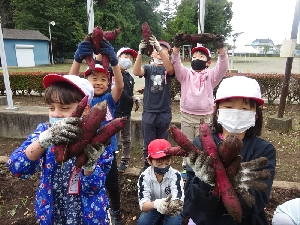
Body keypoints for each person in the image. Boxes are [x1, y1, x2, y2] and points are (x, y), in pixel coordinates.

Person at [7, 74, 114, 224]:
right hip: (52, 212)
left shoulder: (98, 140)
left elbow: (94, 188)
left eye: (65, 108)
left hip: (87, 214)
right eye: (51, 108)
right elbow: (17, 167)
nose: (56, 114)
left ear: (85, 109)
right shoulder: (44, 131)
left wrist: (90, 166)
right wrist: (44, 140)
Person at [183, 76, 276, 225]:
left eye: (245, 109)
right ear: (217, 111)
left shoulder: (264, 150)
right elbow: (191, 197)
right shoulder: (200, 144)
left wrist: (233, 184)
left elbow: (257, 200)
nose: (236, 113)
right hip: (205, 220)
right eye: (229, 107)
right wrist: (206, 182)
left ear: (256, 115)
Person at [69, 40, 124, 225]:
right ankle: (87, 210)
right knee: (87, 184)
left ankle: (115, 211)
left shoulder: (109, 99)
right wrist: (78, 59)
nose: (99, 83)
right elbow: (70, 82)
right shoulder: (81, 99)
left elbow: (120, 87)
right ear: (86, 81)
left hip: (107, 152)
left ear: (108, 82)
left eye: (103, 79)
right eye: (94, 79)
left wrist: (115, 62)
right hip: (84, 151)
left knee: (112, 184)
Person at [172, 35, 228, 180]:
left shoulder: (211, 76)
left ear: (208, 62)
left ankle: (202, 169)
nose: (197, 57)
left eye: (201, 56)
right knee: (188, 144)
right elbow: (176, 65)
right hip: (187, 116)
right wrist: (176, 49)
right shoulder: (185, 75)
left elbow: (223, 67)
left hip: (206, 117)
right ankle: (187, 168)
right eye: (195, 55)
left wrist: (221, 50)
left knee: (204, 145)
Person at [133, 35, 175, 174]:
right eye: (157, 49)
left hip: (164, 111)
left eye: (163, 50)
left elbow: (170, 70)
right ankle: (147, 165)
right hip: (149, 111)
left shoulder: (168, 69)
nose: (159, 51)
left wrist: (160, 49)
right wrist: (139, 52)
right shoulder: (148, 68)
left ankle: (163, 165)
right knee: (148, 143)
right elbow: (136, 71)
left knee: (163, 142)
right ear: (151, 53)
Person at [137, 139, 184, 225]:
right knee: (143, 222)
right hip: (154, 207)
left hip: (172, 208)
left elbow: (178, 199)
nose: (163, 167)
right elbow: (143, 205)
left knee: (173, 223)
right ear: (149, 161)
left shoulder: (175, 175)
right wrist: (156, 204)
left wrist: (172, 205)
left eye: (167, 163)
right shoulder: (144, 177)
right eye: (159, 164)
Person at [114, 47, 141, 173]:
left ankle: (125, 159)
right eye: (126, 56)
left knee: (126, 137)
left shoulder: (129, 77)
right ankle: (111, 158)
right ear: (118, 58)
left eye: (131, 58)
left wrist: (134, 98)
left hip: (126, 112)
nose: (129, 60)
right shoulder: (111, 73)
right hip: (113, 112)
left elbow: (128, 93)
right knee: (111, 137)